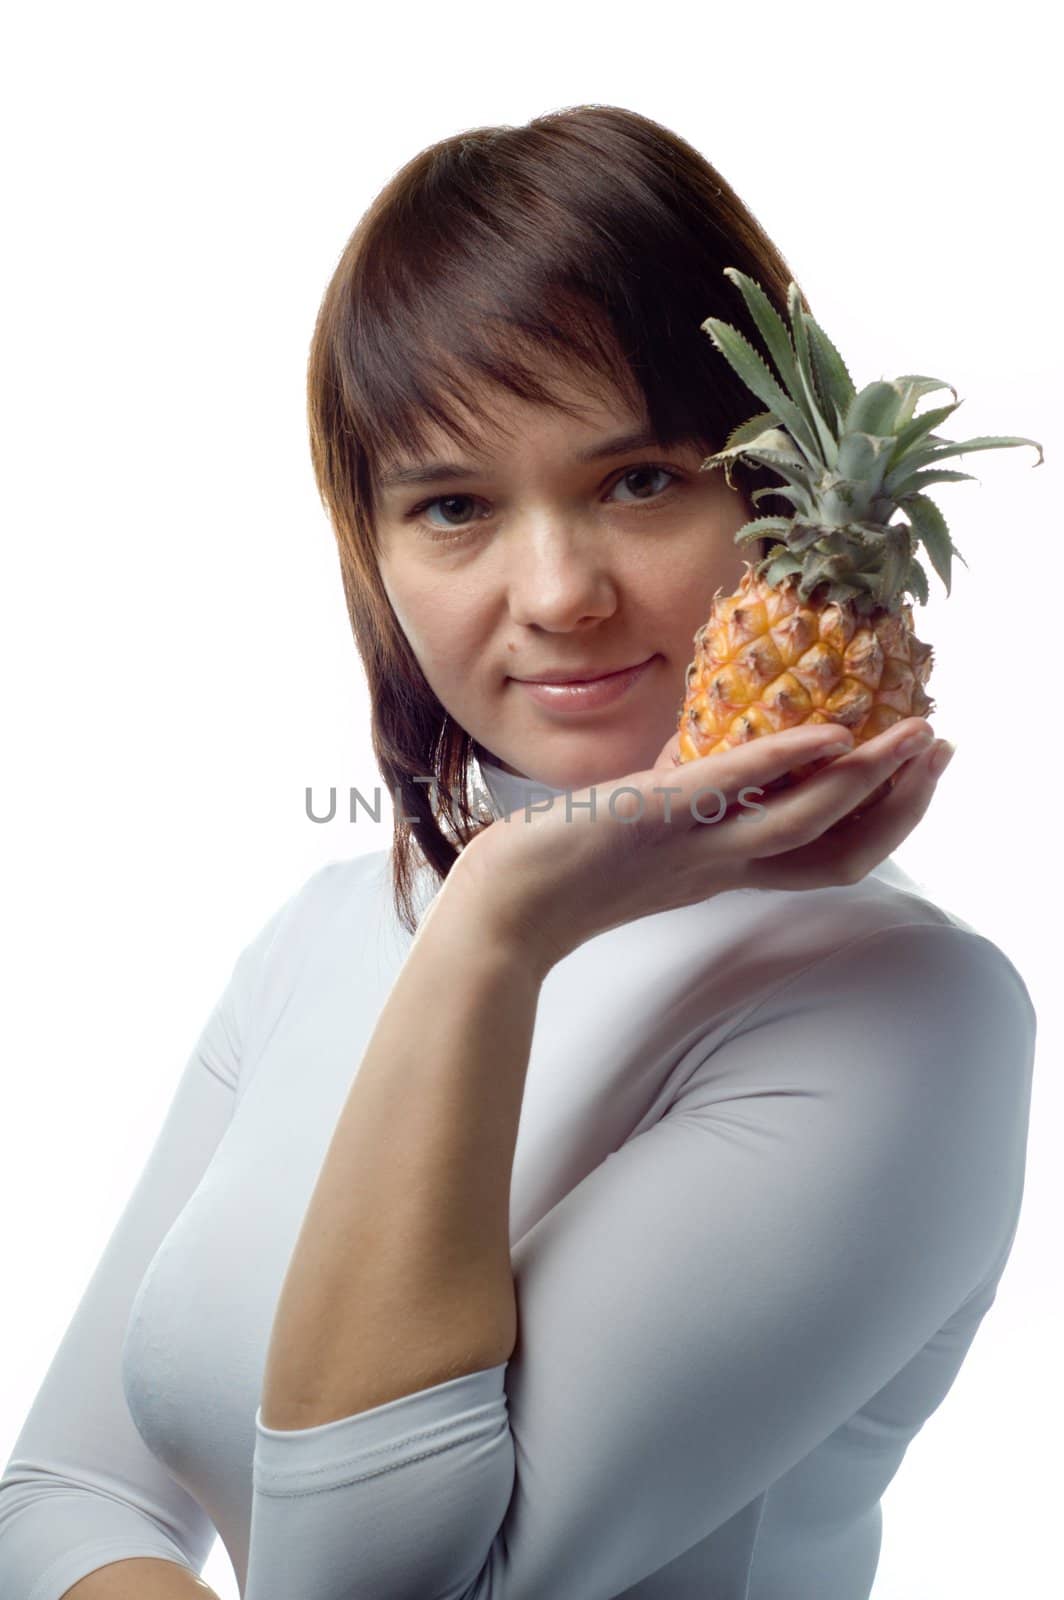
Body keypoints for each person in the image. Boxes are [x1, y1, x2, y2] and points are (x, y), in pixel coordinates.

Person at [0, 104, 1036, 1600]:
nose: (556, 595)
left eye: (639, 482)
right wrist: (483, 912)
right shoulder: (325, 928)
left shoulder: (904, 1009)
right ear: (375, 550)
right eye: (455, 507)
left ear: (770, 495)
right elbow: (57, 1495)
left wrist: (493, 934)